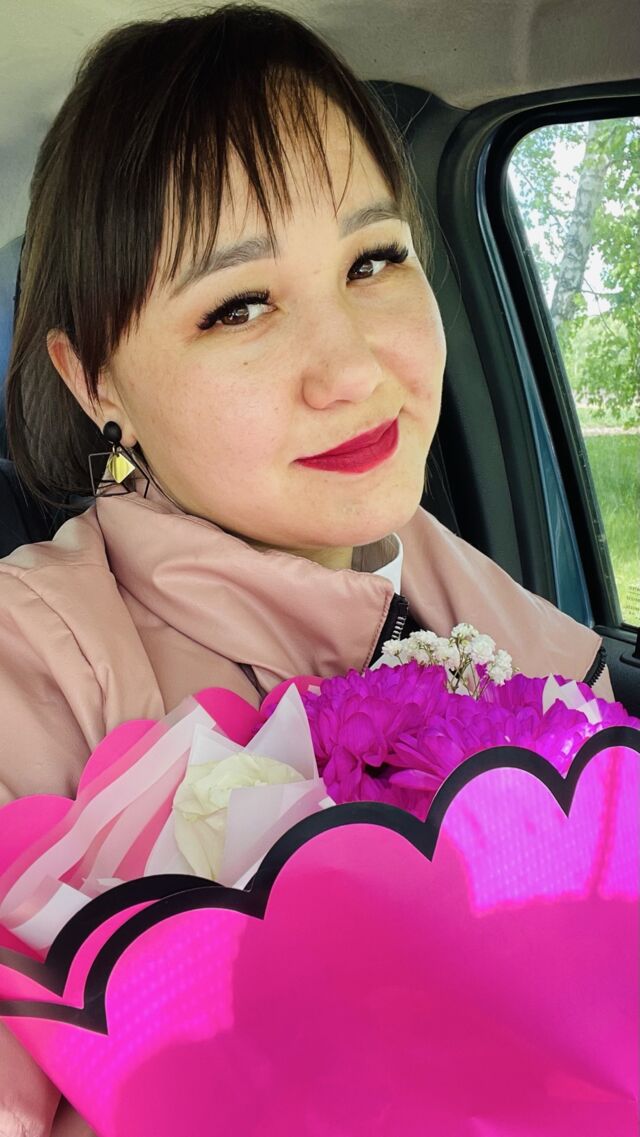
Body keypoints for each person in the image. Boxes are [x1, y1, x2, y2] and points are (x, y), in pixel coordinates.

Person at [0, 4, 615, 1134]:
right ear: (95, 380)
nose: (350, 370)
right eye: (238, 306)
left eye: (374, 260)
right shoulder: (32, 655)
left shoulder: (452, 578)